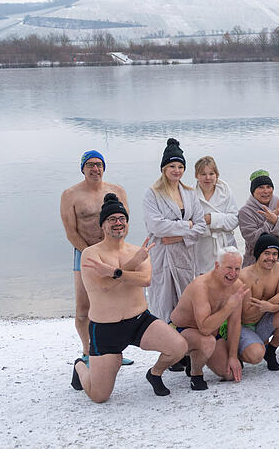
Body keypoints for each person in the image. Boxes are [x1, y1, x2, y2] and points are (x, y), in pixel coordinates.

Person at [71, 193, 187, 402]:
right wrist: (128, 269)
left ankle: (155, 374)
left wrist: (115, 272)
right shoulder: (91, 254)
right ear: (103, 225)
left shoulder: (138, 251)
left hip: (139, 321)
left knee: (179, 346)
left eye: (121, 219)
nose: (118, 223)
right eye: (112, 220)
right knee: (99, 396)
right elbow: (104, 287)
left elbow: (145, 280)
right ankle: (80, 365)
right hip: (105, 328)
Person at [60, 150, 134, 366]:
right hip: (83, 252)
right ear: (82, 168)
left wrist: (114, 254)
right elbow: (71, 232)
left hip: (112, 252)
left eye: (99, 165)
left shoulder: (117, 190)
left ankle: (113, 352)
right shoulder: (70, 195)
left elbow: (124, 224)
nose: (95, 169)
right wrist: (90, 255)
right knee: (84, 308)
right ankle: (88, 352)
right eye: (90, 165)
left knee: (114, 305)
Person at [143, 138, 207, 322]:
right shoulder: (152, 193)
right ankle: (166, 344)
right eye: (172, 166)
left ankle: (185, 346)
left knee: (185, 300)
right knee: (163, 302)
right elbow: (156, 225)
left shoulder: (189, 193)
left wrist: (179, 237)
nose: (176, 170)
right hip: (162, 255)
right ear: (164, 168)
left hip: (185, 254)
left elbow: (201, 225)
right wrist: (186, 225)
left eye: (180, 166)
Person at [169, 247, 249, 389]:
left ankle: (196, 358)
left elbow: (235, 323)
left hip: (212, 333)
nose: (233, 274)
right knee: (207, 341)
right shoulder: (201, 285)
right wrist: (229, 306)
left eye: (237, 269)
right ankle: (195, 372)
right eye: (229, 268)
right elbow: (205, 328)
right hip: (182, 330)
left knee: (230, 374)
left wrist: (232, 356)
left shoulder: (237, 286)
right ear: (217, 266)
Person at [238, 233, 279, 370]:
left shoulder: (278, 268)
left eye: (274, 254)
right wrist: (273, 301)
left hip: (263, 319)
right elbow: (246, 316)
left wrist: (270, 306)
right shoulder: (245, 276)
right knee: (255, 356)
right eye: (267, 253)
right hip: (244, 326)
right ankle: (237, 353)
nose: (271, 258)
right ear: (258, 253)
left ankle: (270, 352)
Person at [238, 170, 279, 285]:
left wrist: (276, 220)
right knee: (257, 298)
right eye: (261, 187)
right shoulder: (245, 212)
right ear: (253, 191)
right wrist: (271, 221)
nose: (266, 191)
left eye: (268, 187)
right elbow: (253, 239)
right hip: (255, 263)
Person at [193, 156, 239, 277]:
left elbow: (234, 220)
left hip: (226, 245)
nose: (208, 178)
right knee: (205, 285)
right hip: (203, 249)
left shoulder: (226, 191)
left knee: (228, 281)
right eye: (203, 174)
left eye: (211, 173)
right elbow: (191, 226)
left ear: (216, 175)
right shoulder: (191, 196)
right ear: (196, 176)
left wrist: (210, 219)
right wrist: (209, 227)